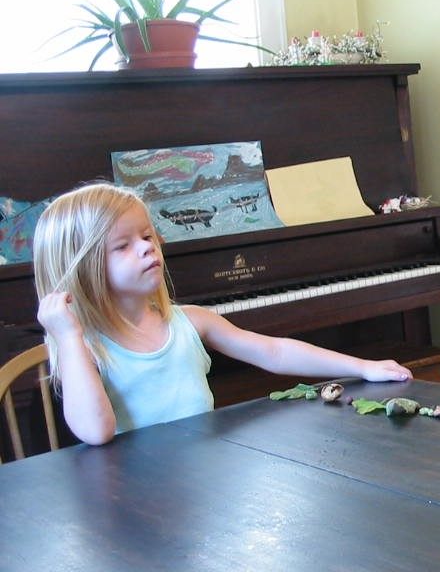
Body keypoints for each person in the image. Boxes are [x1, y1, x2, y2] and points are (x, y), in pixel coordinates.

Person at [33, 182, 413, 446]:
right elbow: (96, 432)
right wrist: (67, 337)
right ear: (80, 268)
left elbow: (274, 352)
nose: (147, 249)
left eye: (148, 237)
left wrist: (362, 367)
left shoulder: (189, 321)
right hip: (136, 491)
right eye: (123, 245)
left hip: (205, 470)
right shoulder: (83, 348)